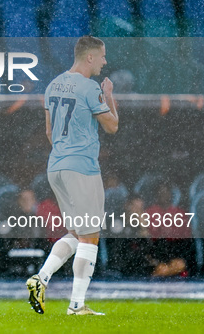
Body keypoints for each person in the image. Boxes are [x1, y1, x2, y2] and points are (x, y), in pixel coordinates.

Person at [26, 36, 119, 316]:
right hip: (82, 168)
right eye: (102, 56)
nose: (104, 61)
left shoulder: (53, 84)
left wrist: (66, 151)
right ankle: (76, 305)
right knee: (90, 237)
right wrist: (110, 95)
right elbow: (113, 126)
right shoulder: (91, 88)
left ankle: (40, 278)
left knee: (76, 233)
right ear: (89, 57)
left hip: (56, 165)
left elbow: (49, 131)